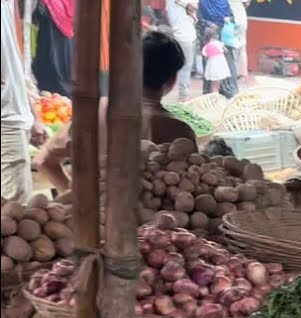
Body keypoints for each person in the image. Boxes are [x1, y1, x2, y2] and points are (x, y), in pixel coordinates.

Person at [37, 32, 196, 195]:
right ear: (172, 80)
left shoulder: (94, 111)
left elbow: (43, 160)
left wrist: (74, 197)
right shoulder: (179, 131)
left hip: (93, 217)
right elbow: (192, 189)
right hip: (156, 220)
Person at [2, 0, 44, 202]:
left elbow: (10, 59)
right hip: (6, 121)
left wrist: (31, 113)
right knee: (14, 212)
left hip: (13, 115)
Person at [31, 0, 74, 97]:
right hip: (52, 15)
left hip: (57, 13)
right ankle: (50, 87)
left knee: (55, 51)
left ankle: (59, 89)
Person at [167, 0, 199, 100]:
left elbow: (194, 9)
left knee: (186, 66)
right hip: (183, 34)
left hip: (188, 32)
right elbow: (193, 6)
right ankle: (183, 95)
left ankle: (184, 94)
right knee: (186, 66)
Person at [201, 25, 232, 96]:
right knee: (217, 84)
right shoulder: (219, 43)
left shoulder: (206, 47)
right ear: (216, 36)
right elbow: (226, 51)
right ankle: (215, 97)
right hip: (219, 66)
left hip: (211, 67)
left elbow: (205, 57)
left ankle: (212, 96)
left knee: (213, 84)